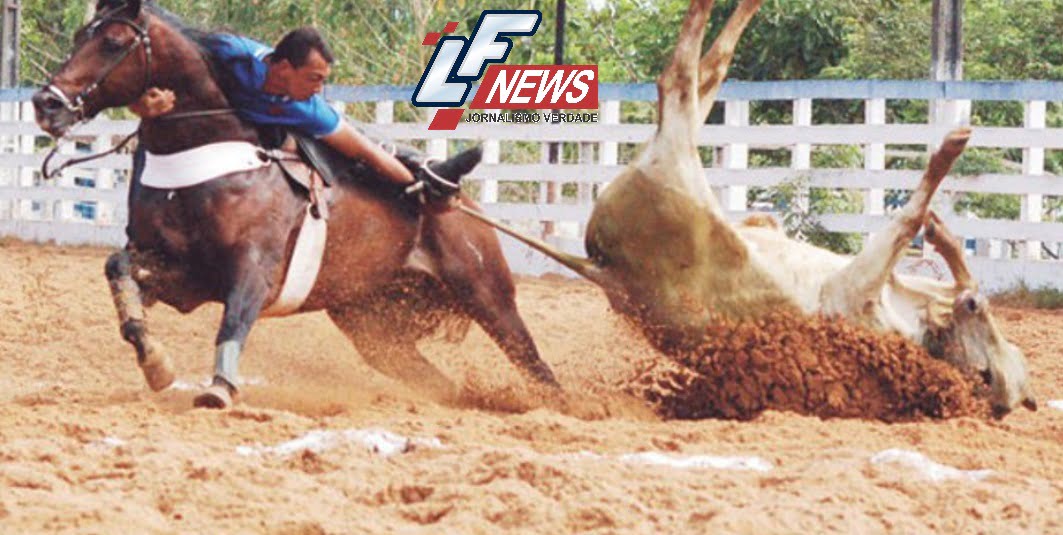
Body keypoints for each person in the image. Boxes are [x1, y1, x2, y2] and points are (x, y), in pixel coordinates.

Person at [131, 27, 434, 198]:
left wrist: (415, 186)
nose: (319, 88)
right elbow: (148, 60)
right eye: (314, 78)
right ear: (284, 68)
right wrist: (141, 105)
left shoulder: (310, 109)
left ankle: (423, 165)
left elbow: (366, 151)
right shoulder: (229, 52)